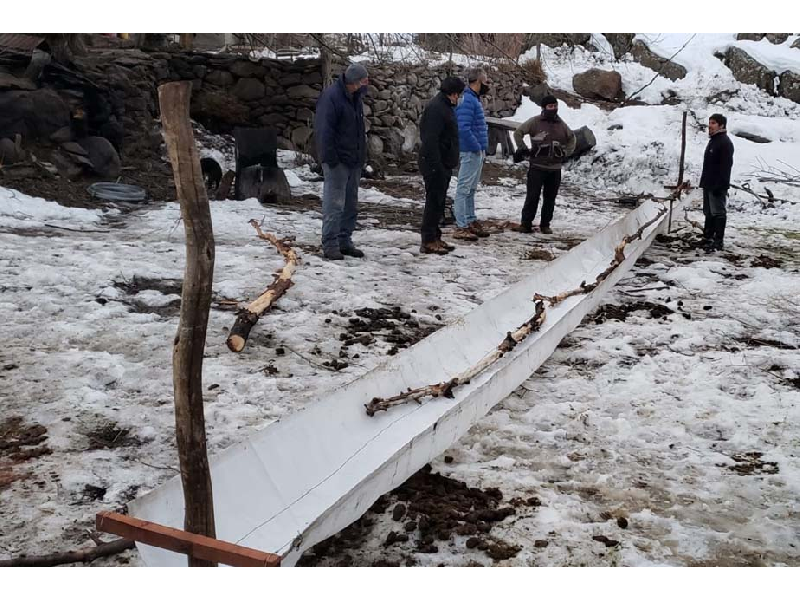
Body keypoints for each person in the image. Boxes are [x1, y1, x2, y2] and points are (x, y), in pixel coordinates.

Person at [314, 63, 369, 260]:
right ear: (354, 82)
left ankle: (344, 240)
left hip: (353, 159)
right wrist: (330, 158)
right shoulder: (331, 98)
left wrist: (361, 155)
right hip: (337, 161)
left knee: (350, 203)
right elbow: (324, 130)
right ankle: (330, 243)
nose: (365, 86)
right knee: (334, 204)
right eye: (363, 82)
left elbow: (358, 129)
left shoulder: (356, 98)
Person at [512, 95, 576, 234]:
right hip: (537, 167)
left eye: (555, 106)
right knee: (532, 196)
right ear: (543, 108)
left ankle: (545, 225)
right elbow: (518, 133)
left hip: (555, 169)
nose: (553, 109)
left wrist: (566, 153)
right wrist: (523, 149)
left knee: (550, 199)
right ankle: (525, 224)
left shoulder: (561, 124)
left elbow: (572, 138)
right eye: (550, 106)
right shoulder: (535, 122)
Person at [418, 77, 466, 255]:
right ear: (452, 94)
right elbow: (430, 139)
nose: (458, 98)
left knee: (439, 202)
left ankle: (435, 235)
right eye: (458, 94)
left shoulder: (445, 107)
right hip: (435, 163)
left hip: (443, 162)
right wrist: (436, 164)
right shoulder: (437, 109)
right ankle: (428, 239)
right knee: (433, 202)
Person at [453, 67, 491, 241]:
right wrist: (476, 146)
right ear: (478, 81)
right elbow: (463, 127)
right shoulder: (468, 100)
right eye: (486, 81)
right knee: (463, 189)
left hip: (476, 150)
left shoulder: (474, 99)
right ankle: (461, 225)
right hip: (470, 151)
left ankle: (470, 219)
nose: (487, 84)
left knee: (471, 189)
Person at [699, 113, 734, 252]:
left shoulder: (724, 142)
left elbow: (726, 167)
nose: (710, 126)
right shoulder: (714, 140)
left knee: (718, 213)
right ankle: (708, 237)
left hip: (717, 185)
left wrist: (720, 185)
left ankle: (718, 241)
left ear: (721, 125)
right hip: (708, 183)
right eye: (709, 123)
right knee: (708, 212)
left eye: (713, 123)